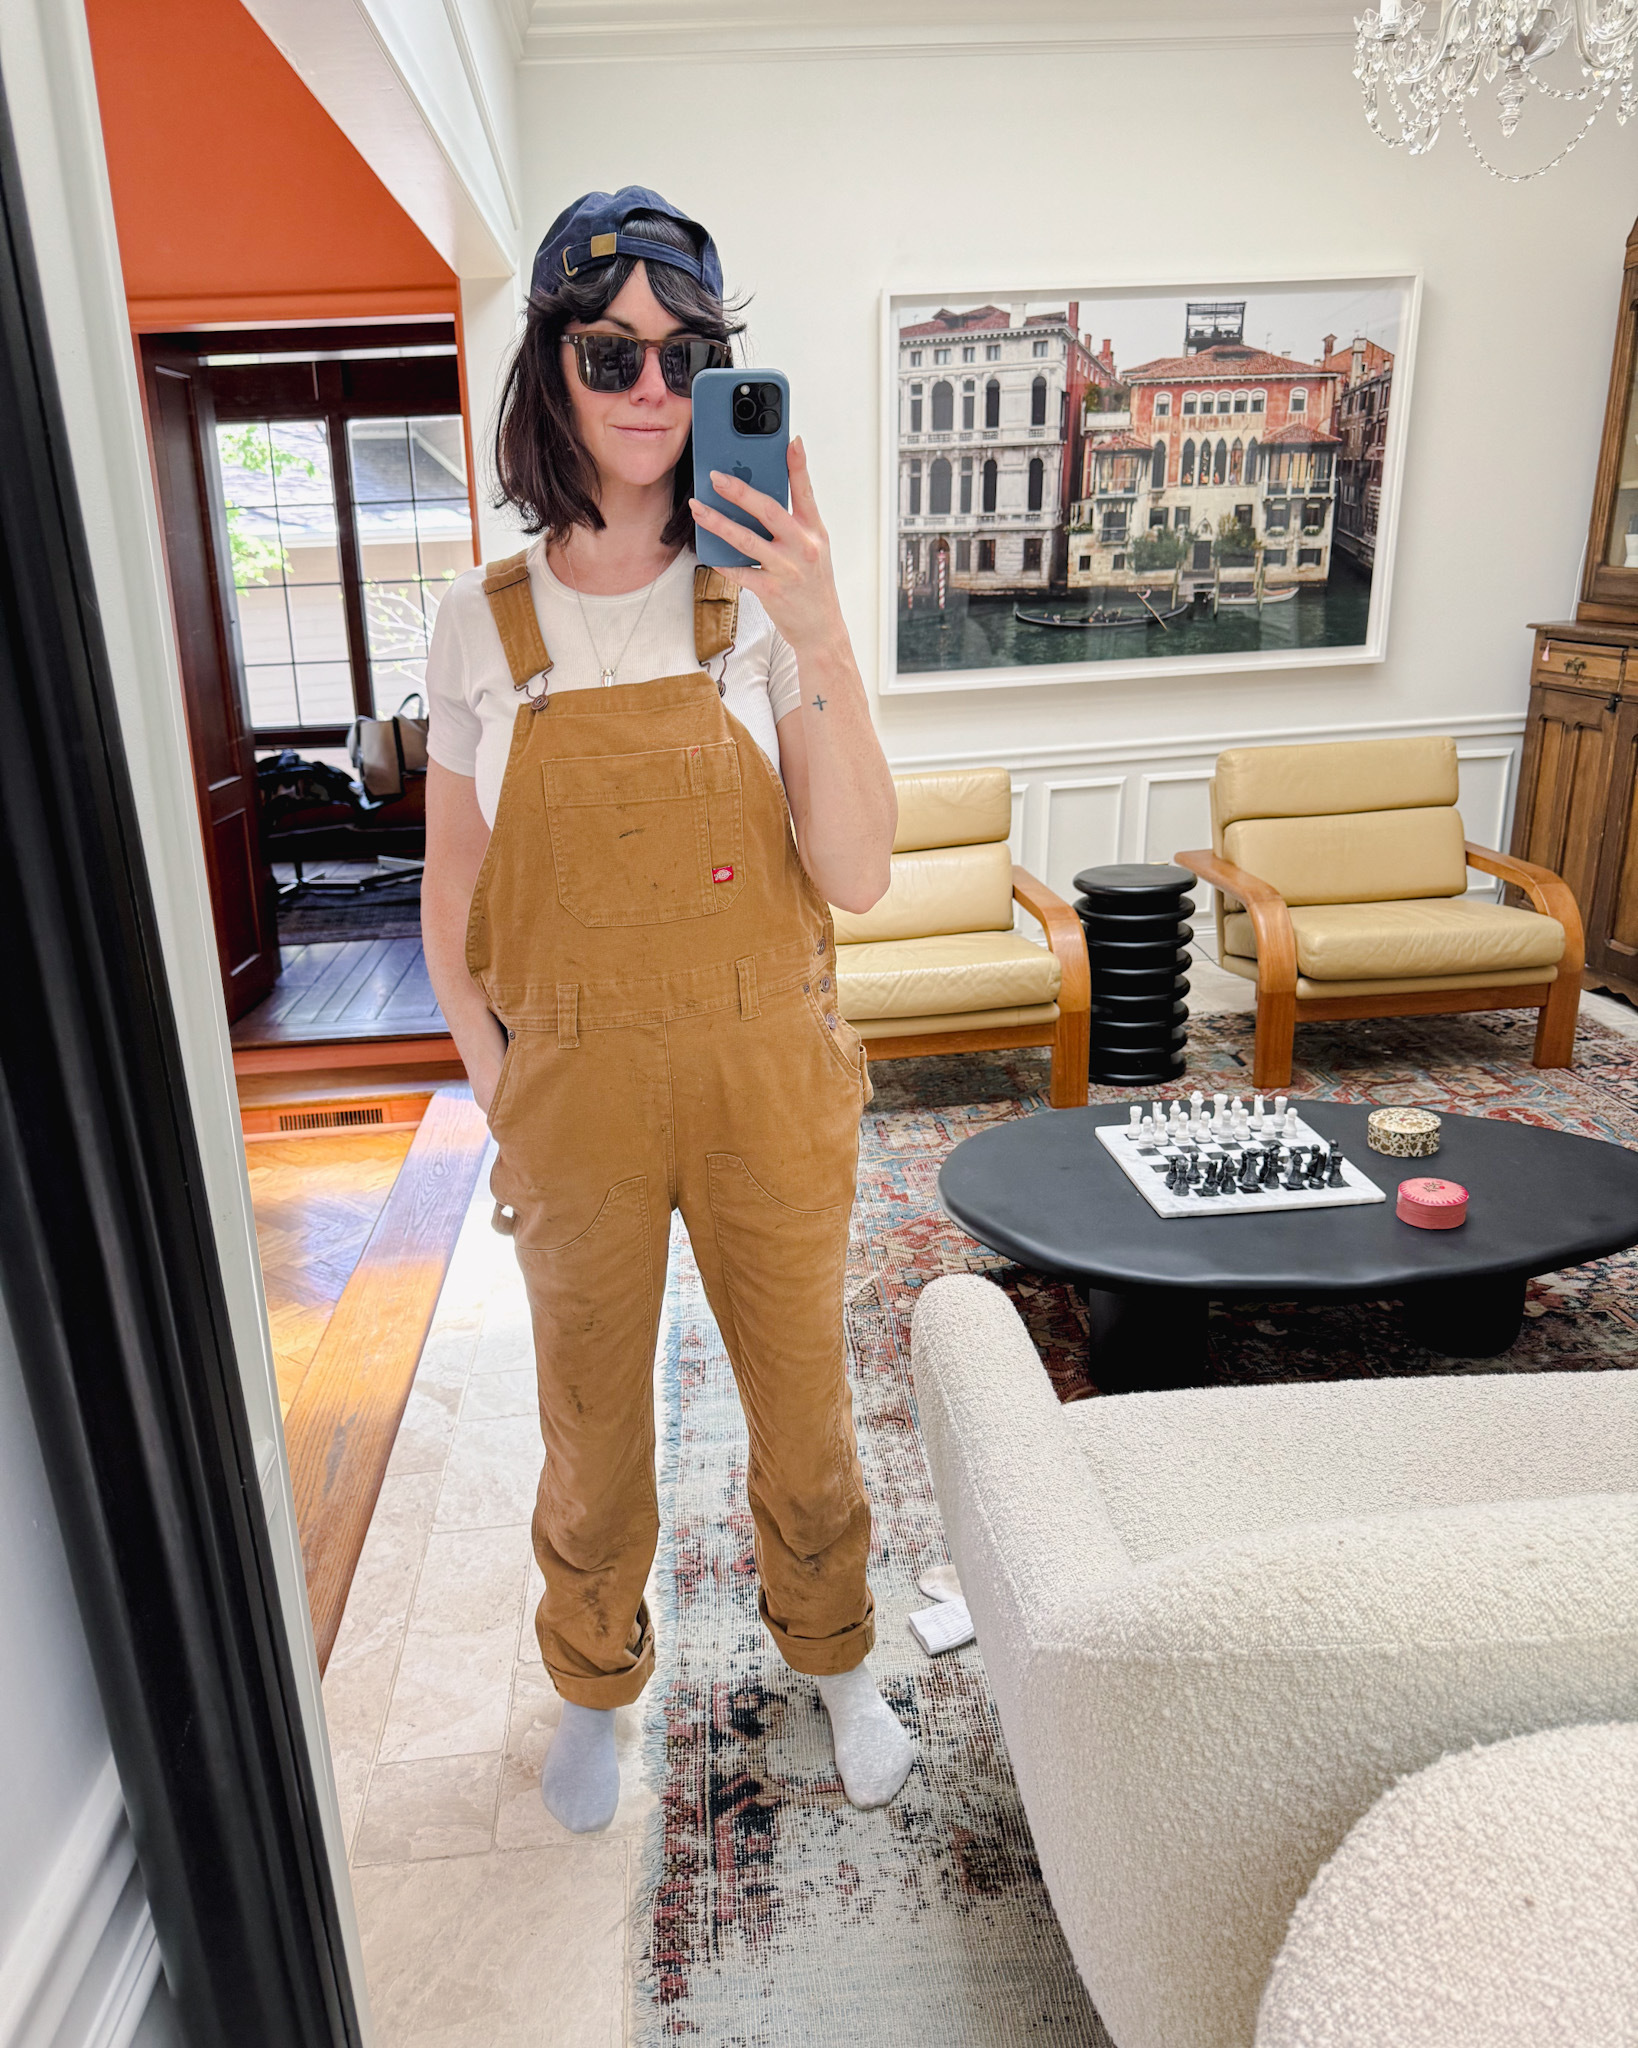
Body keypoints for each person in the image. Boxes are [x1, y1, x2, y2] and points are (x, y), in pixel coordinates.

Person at [421, 188, 912, 1833]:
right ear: (549, 374)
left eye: (685, 353)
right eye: (609, 349)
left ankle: (837, 1654)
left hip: (766, 1067)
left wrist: (822, 622)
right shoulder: (481, 623)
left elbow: (853, 873)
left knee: (803, 1402)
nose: (648, 382)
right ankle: (588, 1680)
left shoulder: (758, 602)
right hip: (574, 1096)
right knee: (588, 1426)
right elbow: (451, 900)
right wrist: (503, 1081)